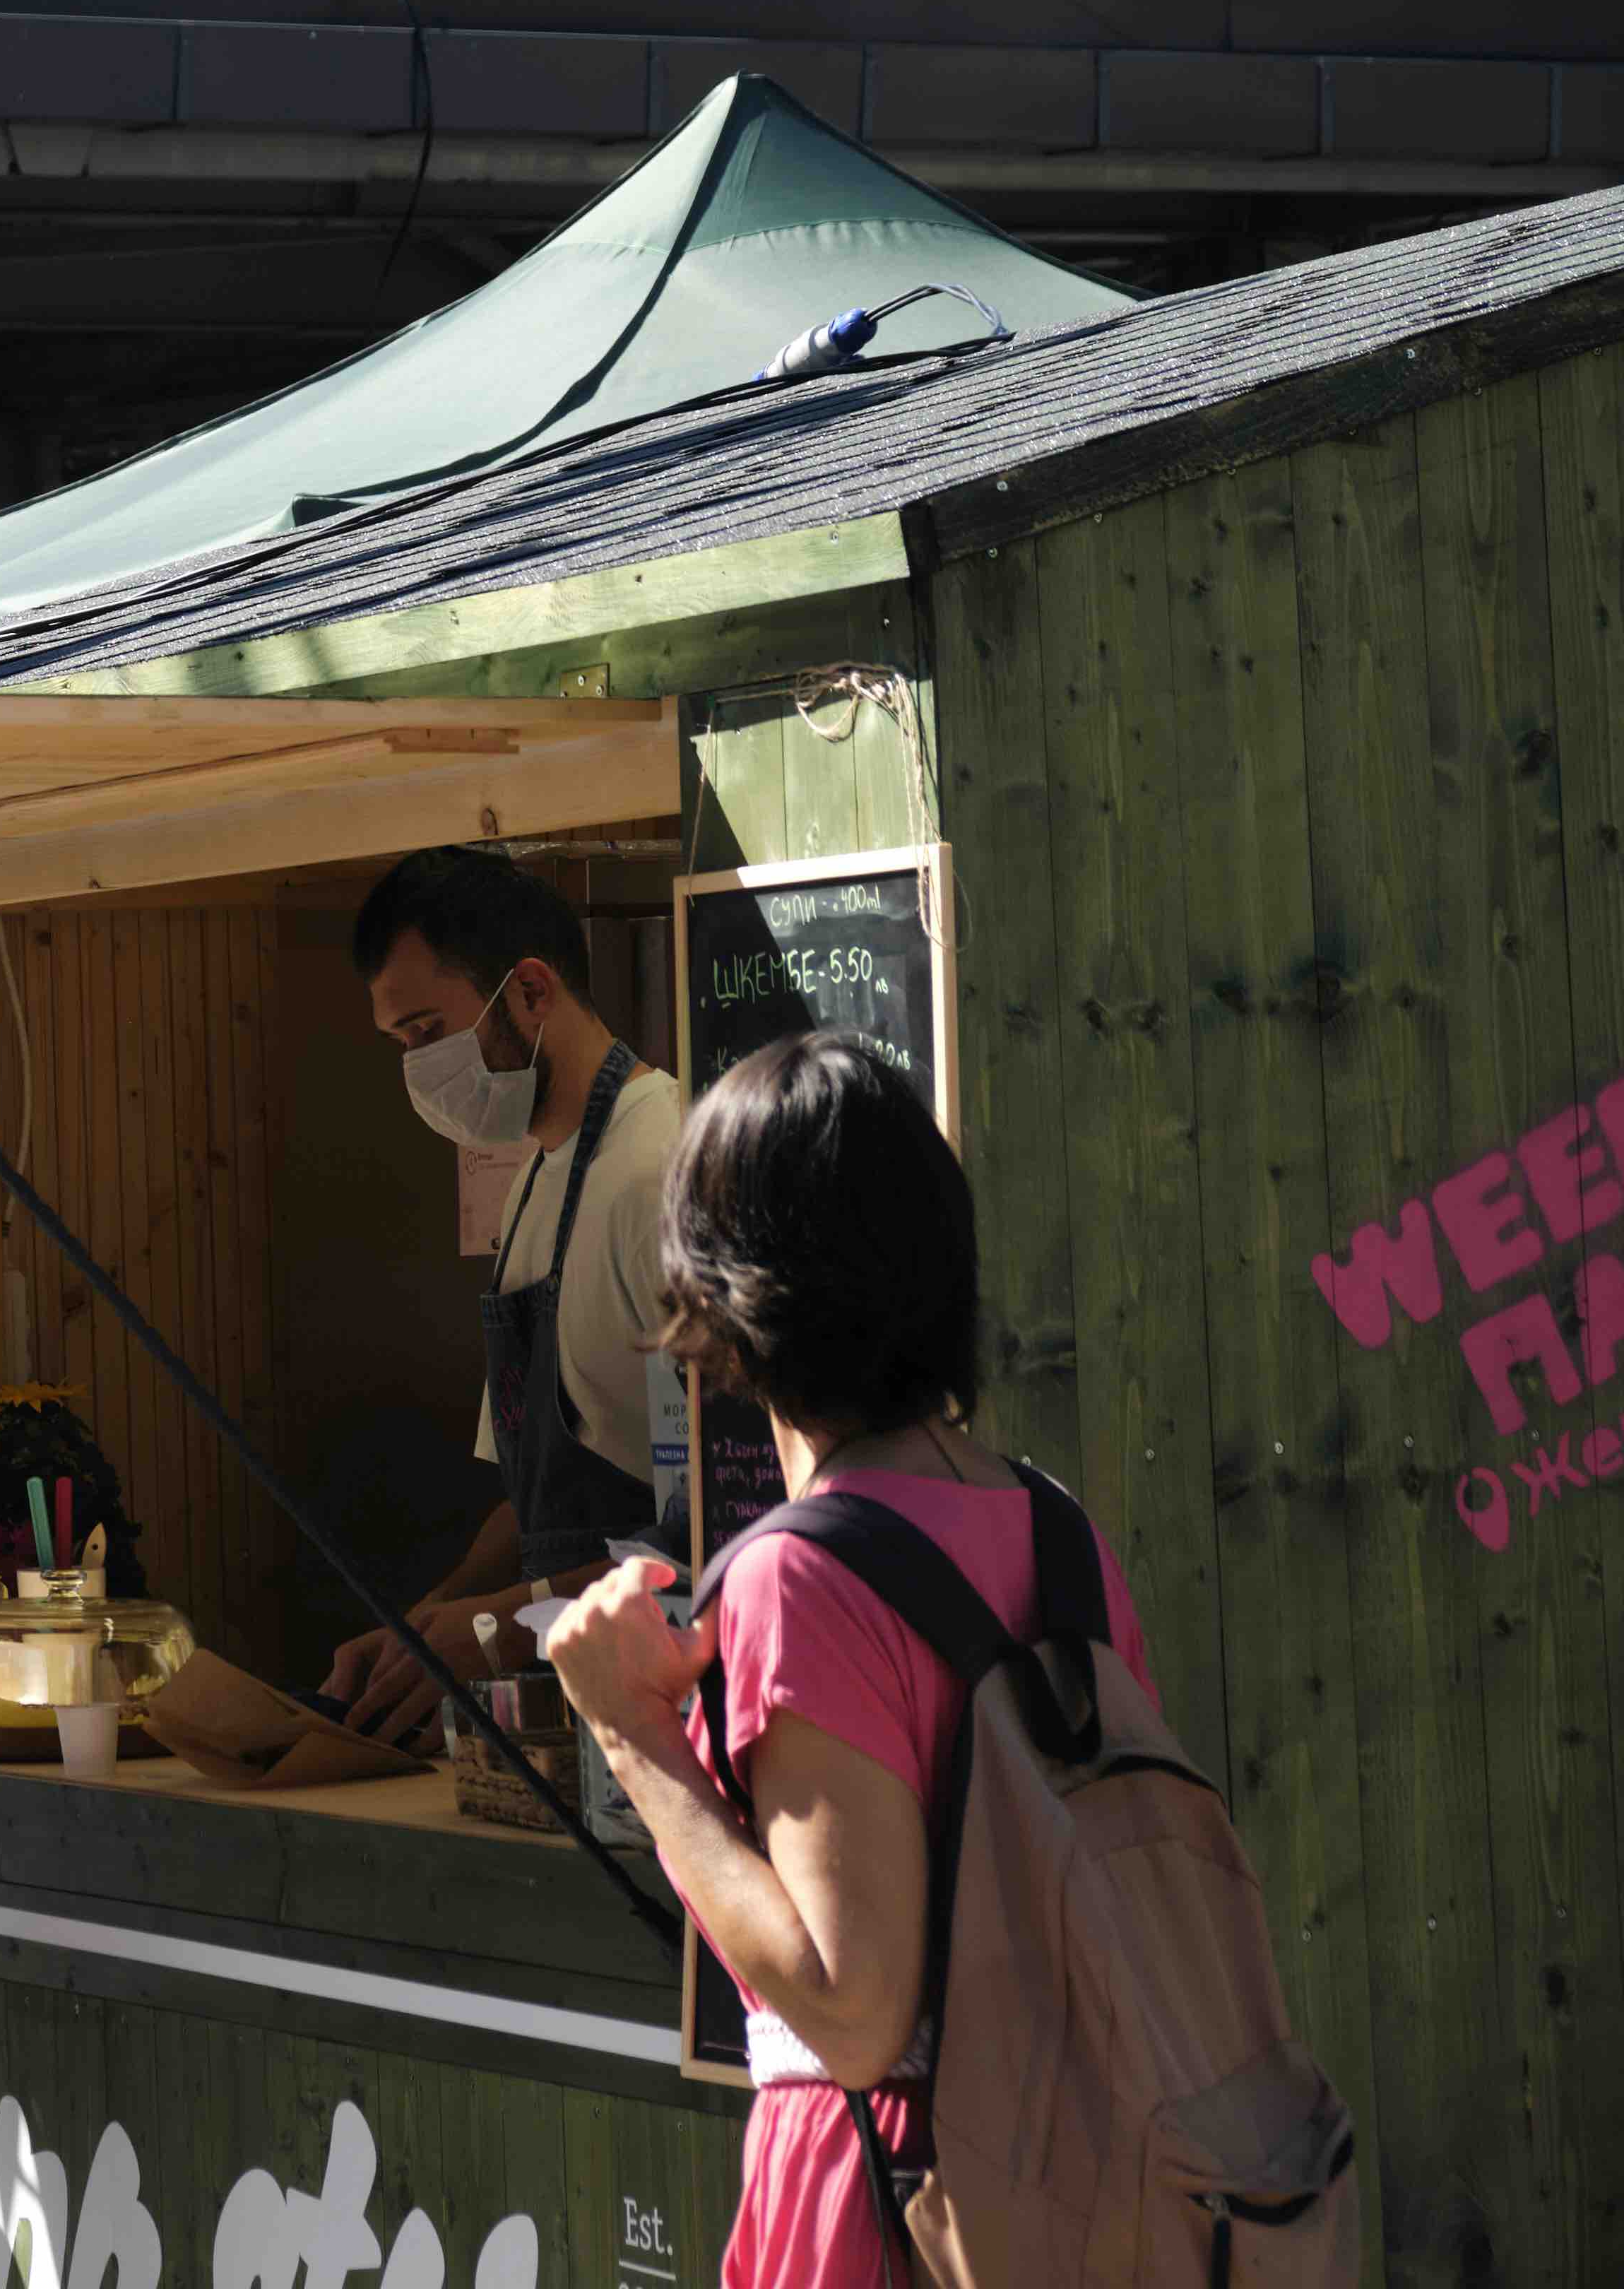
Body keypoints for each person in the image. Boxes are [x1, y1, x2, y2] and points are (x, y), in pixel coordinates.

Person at [544, 1034, 1157, 2289]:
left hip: (897, 2207)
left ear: (720, 1291)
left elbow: (854, 2010)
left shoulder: (799, 1576)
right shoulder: (1054, 1528)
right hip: (1095, 2184)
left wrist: (633, 1737)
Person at [324, 846, 685, 1743]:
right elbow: (535, 1506)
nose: (418, 1069)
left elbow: (722, 1526)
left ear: (529, 990)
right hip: (575, 1706)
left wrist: (499, 1624)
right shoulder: (532, 1183)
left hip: (677, 1702)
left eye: (427, 1032)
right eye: (401, 1044)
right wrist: (427, 1625)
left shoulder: (666, 1171)